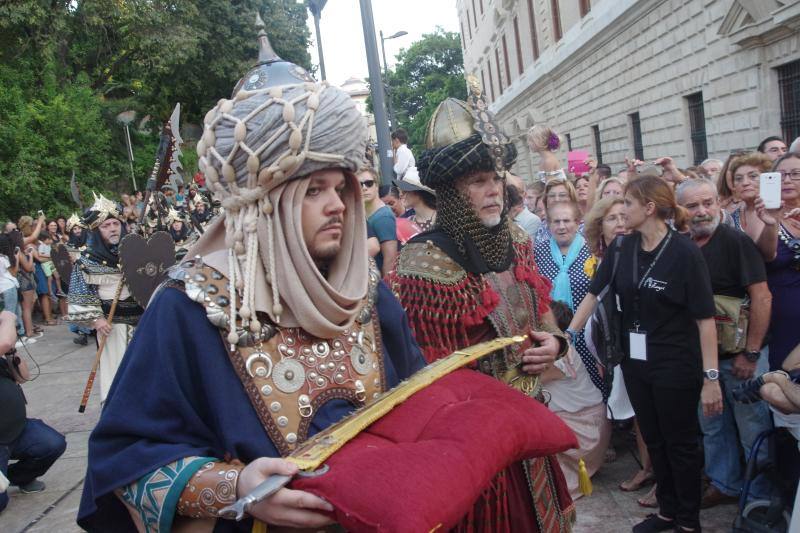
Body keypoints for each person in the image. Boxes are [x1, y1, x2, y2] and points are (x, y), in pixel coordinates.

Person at [77, 44, 426, 532]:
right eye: (312, 190)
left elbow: (422, 398)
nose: (338, 206)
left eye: (341, 188)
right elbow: (124, 460)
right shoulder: (189, 310)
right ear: (264, 203)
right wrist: (236, 488)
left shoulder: (368, 292)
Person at [391, 88, 574, 531]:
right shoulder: (423, 261)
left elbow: (541, 312)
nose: (493, 191)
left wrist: (557, 342)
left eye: (495, 178)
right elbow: (427, 375)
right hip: (476, 440)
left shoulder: (516, 238)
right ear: (452, 192)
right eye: (478, 182)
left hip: (530, 416)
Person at [568, 176, 722, 533]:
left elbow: (705, 320)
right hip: (636, 362)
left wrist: (711, 378)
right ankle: (667, 511)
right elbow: (594, 293)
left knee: (679, 442)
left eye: (629, 204)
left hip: (676, 362)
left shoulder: (685, 253)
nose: (622, 212)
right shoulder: (622, 249)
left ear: (649, 208)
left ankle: (687, 519)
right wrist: (568, 335)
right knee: (653, 439)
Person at [676, 178, 775, 508]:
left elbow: (761, 297)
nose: (702, 211)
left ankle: (760, 497)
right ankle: (724, 484)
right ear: (680, 210)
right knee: (713, 426)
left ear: (718, 203)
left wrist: (751, 352)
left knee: (752, 429)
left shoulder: (736, 242)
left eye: (707, 202)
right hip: (704, 362)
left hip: (740, 357)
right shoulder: (681, 245)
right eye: (692, 206)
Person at [66, 194, 144, 403]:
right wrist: (97, 320)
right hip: (112, 326)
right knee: (117, 375)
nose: (112, 228)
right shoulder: (87, 262)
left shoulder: (135, 252)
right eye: (106, 225)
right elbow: (79, 295)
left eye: (115, 223)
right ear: (97, 231)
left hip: (143, 325)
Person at [542, 301, 611, 499]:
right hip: (582, 425)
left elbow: (521, 382)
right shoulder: (556, 349)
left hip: (585, 432)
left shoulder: (561, 354)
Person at [0, 309, 66, 513]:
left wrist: (12, 354)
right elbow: (4, 342)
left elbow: (23, 377)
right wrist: (9, 318)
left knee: (52, 444)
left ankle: (14, 477)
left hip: (16, 430)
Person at [359, 167, 397, 277]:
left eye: (369, 183)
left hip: (380, 282)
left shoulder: (383, 217)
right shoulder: (366, 212)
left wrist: (387, 290)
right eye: (359, 184)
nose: (364, 188)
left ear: (376, 186)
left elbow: (390, 259)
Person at [506, 173, 541, 239]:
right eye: (510, 191)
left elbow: (526, 247)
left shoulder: (532, 220)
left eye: (517, 191)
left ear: (524, 195)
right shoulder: (497, 216)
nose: (514, 196)